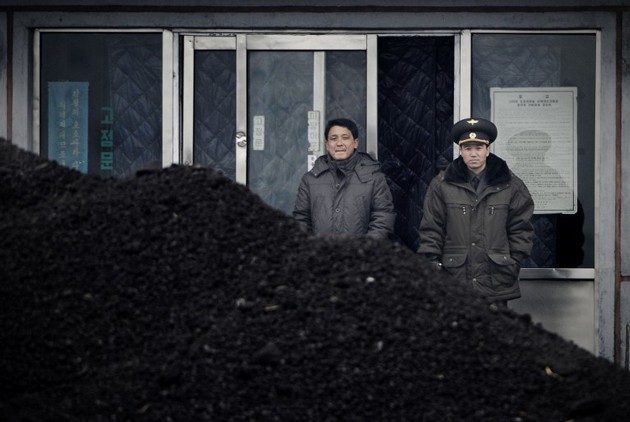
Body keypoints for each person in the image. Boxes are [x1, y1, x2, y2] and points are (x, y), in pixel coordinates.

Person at [417, 117, 535, 309]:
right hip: (454, 278)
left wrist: (512, 262)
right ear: (460, 151)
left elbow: (521, 228)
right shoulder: (442, 185)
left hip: (496, 279)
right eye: (468, 148)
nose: (473, 154)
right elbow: (432, 227)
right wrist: (433, 263)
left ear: (487, 150)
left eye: (478, 148)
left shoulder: (510, 185)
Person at [293, 117, 395, 239]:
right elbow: (301, 219)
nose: (339, 143)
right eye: (333, 138)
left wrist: (365, 247)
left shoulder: (374, 177)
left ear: (355, 143)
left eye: (345, 138)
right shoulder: (310, 179)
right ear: (327, 144)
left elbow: (383, 217)